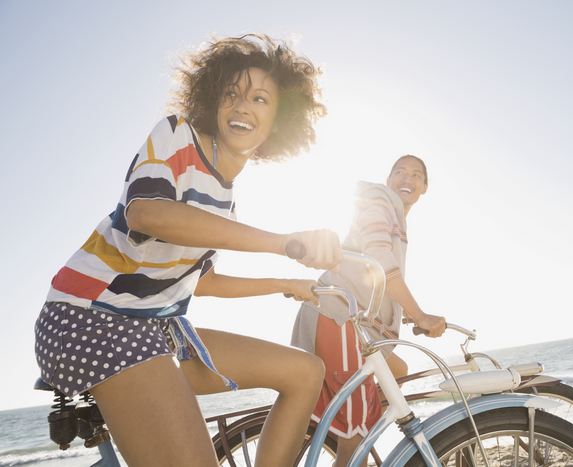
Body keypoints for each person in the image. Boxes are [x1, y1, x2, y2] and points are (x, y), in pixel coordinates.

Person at [34, 34, 342, 467]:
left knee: (305, 372)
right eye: (231, 93)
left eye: (259, 99)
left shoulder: (226, 200)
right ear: (213, 101)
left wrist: (287, 284)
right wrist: (284, 244)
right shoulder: (177, 135)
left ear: (279, 119)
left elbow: (204, 282)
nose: (242, 106)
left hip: (156, 328)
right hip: (89, 319)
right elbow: (146, 213)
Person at [291, 154, 447, 466]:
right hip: (339, 319)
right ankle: (355, 429)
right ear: (389, 180)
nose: (407, 179)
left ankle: (358, 419)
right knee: (356, 447)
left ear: (425, 187)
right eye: (400, 171)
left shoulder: (395, 218)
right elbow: (380, 263)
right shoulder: (380, 201)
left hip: (356, 324)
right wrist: (420, 315)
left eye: (416, 175)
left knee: (399, 372)